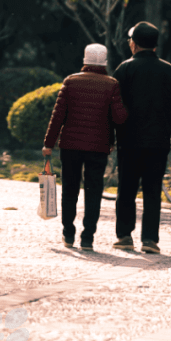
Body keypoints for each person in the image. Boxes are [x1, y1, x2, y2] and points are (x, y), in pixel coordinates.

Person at [42, 43, 128, 251]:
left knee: (70, 189)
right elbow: (120, 117)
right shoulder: (111, 84)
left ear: (84, 60)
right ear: (105, 62)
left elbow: (58, 116)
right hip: (98, 147)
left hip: (70, 146)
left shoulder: (70, 81)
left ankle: (68, 233)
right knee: (93, 191)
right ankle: (88, 236)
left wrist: (48, 144)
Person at [111, 22, 171, 254]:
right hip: (158, 141)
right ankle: (150, 240)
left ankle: (124, 236)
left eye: (130, 39)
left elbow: (116, 106)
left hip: (129, 141)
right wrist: (163, 127)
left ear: (135, 43)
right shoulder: (170, 71)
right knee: (153, 190)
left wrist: (116, 132)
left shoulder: (124, 69)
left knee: (127, 189)